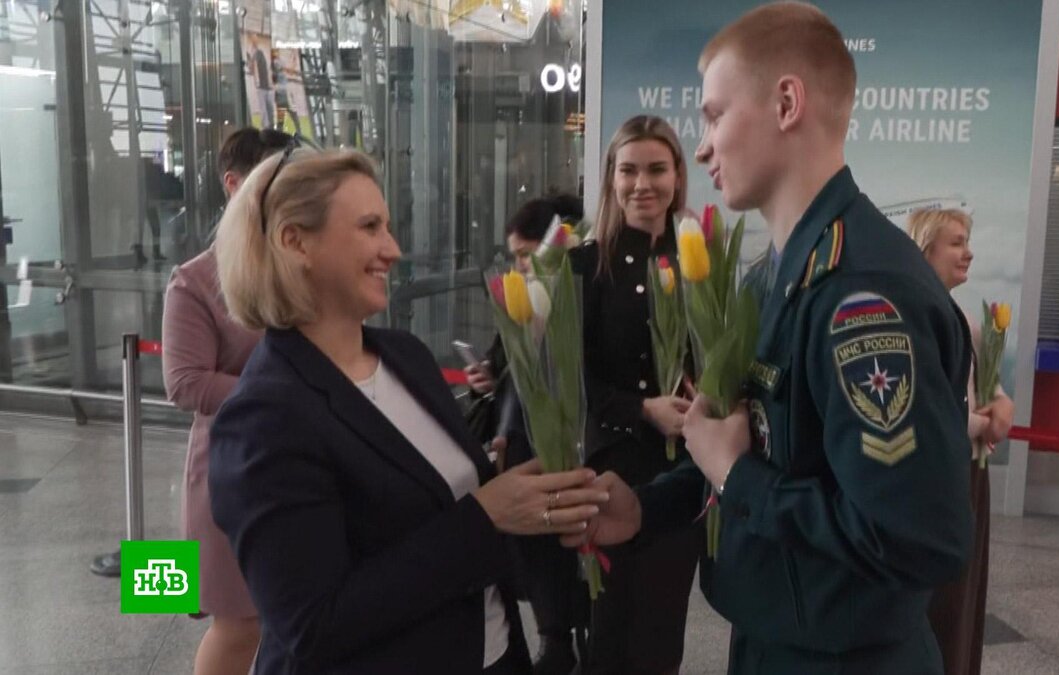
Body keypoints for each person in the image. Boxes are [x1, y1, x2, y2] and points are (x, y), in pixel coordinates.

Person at [565, 4, 974, 673]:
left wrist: (738, 476)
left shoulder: (864, 291)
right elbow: (767, 446)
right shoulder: (772, 277)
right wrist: (649, 505)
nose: (701, 148)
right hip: (773, 636)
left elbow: (915, 537)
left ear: (787, 102)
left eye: (716, 115)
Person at [207, 146, 609, 674]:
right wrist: (487, 515)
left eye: (388, 226)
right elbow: (315, 625)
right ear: (294, 240)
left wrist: (529, 501)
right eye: (370, 227)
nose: (392, 249)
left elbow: (444, 512)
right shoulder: (265, 417)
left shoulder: (404, 356)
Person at [570, 114, 701, 675]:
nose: (642, 184)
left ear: (677, 177)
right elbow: (571, 382)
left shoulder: (702, 264)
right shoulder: (583, 268)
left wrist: (706, 397)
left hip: (683, 475)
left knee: (660, 632)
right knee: (611, 629)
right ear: (611, 178)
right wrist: (643, 408)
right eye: (629, 170)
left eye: (656, 169)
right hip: (612, 470)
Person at [161, 126, 291, 675]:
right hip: (229, 470)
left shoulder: (295, 270)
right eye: (274, 184)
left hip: (298, 462)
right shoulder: (193, 283)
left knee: (292, 614)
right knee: (239, 621)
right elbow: (184, 383)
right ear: (234, 185)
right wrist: (283, 393)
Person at [464, 193, 590, 675]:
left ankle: (563, 638)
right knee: (213, 606)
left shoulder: (577, 298)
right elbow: (202, 383)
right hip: (518, 449)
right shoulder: (520, 301)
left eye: (525, 254)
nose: (518, 265)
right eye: (514, 256)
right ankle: (555, 637)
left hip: (559, 447)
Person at [908, 207, 1014, 675]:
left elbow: (984, 388)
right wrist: (979, 424)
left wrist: (1002, 407)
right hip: (937, 476)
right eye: (955, 242)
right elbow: (924, 413)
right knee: (944, 602)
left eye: (967, 240)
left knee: (965, 596)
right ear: (925, 247)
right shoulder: (914, 317)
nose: (968, 252)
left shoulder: (963, 319)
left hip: (969, 473)